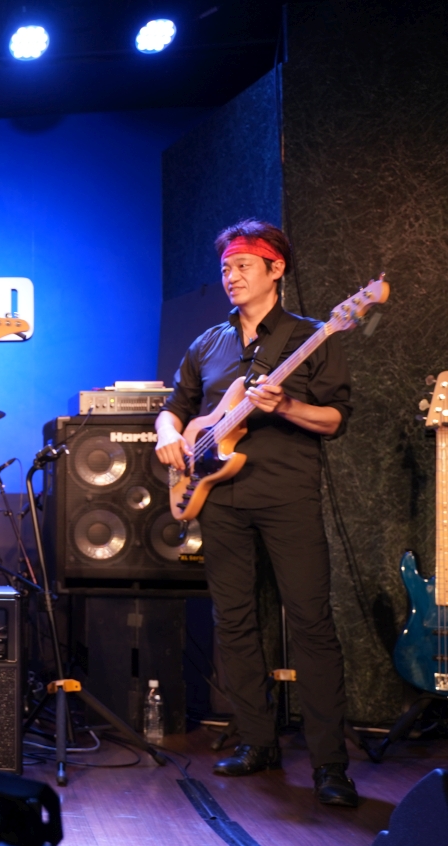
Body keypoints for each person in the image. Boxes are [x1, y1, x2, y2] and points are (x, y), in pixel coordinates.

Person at [155, 219, 357, 807]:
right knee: (235, 622)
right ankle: (257, 742)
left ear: (276, 269)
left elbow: (336, 419)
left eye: (244, 265)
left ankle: (329, 764)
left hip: (287, 495)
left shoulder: (313, 336)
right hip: (219, 497)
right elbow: (174, 408)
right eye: (226, 267)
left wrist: (287, 404)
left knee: (311, 623)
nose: (231, 276)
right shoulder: (208, 344)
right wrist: (168, 435)